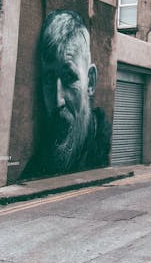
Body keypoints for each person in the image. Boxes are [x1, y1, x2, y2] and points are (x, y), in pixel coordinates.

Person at [23, 10, 110, 177]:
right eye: (49, 78)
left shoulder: (102, 149)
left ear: (90, 82)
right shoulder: (36, 166)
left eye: (69, 77)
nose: (58, 100)